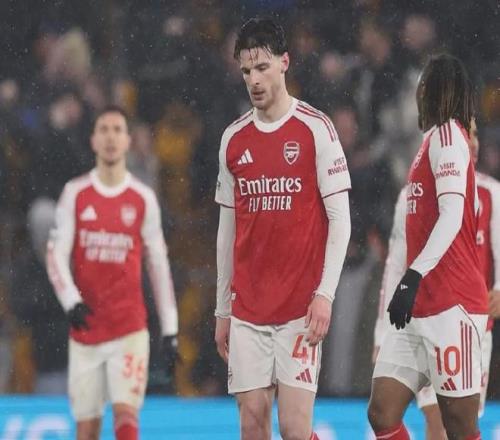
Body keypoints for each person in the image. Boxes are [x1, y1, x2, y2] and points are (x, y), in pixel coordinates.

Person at [214, 18, 351, 440]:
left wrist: (325, 295)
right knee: (252, 424)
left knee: (294, 428)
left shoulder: (316, 128)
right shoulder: (233, 139)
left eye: (262, 67)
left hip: (299, 310)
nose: (253, 80)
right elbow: (226, 232)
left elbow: (341, 221)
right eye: (246, 71)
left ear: (284, 62)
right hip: (248, 310)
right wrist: (222, 310)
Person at [368, 53, 488, 440]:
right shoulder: (430, 141)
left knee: (459, 426)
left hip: (452, 307)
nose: (418, 93)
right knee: (382, 411)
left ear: (437, 90)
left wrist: (413, 276)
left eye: (423, 85)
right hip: (418, 308)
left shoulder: (450, 136)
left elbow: (451, 216)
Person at [46, 106, 178, 440]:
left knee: (126, 414)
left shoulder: (143, 198)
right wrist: (70, 301)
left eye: (117, 130)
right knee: (87, 429)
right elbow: (55, 254)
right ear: (93, 140)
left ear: (128, 140)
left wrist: (170, 328)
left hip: (129, 328)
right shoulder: (75, 193)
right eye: (103, 129)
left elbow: (158, 264)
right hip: (86, 328)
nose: (110, 137)